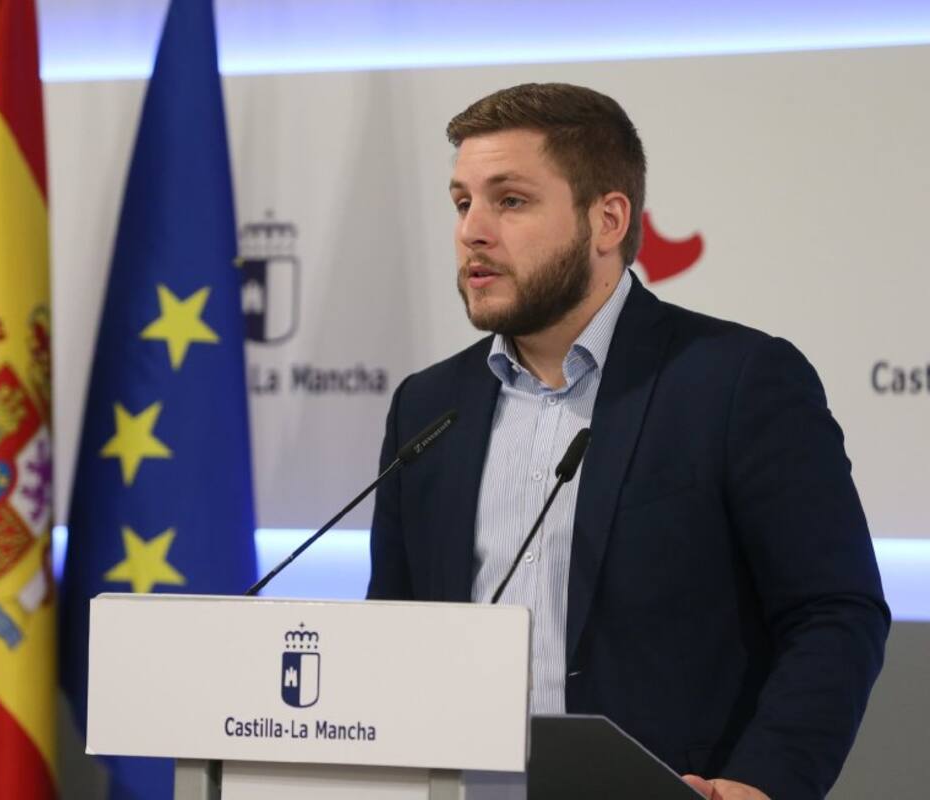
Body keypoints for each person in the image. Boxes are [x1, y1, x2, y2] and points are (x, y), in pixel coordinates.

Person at [367, 83, 889, 800]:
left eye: (510, 200)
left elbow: (833, 611)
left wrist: (762, 783)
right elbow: (394, 630)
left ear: (607, 219)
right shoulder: (427, 407)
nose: (472, 232)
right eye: (462, 203)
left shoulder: (737, 382)